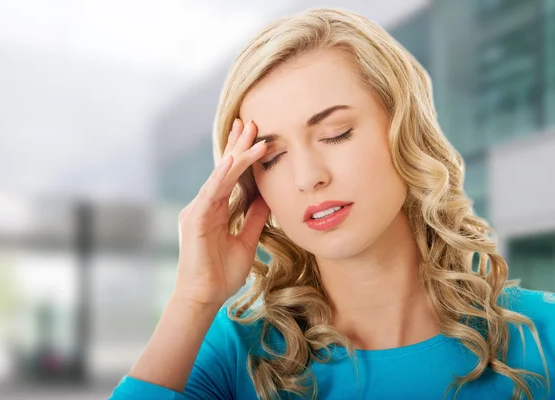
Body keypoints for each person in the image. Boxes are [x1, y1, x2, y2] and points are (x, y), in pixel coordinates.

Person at [109, 7, 554, 400]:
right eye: (272, 156)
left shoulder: (541, 336)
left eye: (336, 133)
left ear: (405, 129)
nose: (308, 177)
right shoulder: (235, 352)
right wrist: (192, 300)